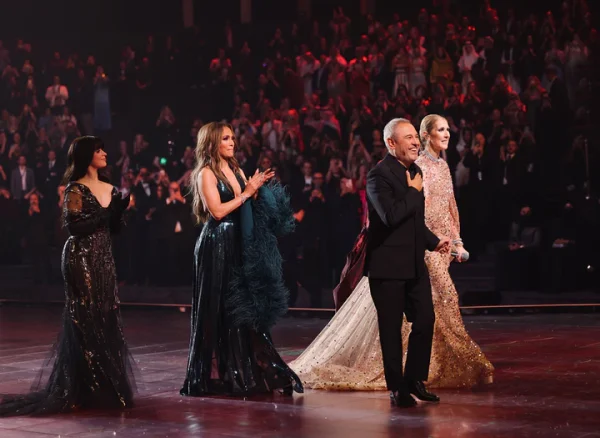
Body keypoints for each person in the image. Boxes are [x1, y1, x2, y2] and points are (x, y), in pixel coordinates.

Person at [291, 116, 493, 405]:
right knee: (390, 331)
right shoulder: (378, 176)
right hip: (387, 267)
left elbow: (414, 222)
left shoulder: (416, 172)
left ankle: (414, 379)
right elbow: (391, 215)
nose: (414, 142)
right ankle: (397, 388)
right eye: (408, 137)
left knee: (424, 320)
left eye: (415, 136)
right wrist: (413, 190)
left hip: (414, 264)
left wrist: (436, 242)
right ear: (391, 143)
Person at [0, 136, 135, 416]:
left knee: (106, 314)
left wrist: (119, 213)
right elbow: (74, 226)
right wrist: (107, 213)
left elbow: (114, 230)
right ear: (87, 156)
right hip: (79, 256)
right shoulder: (74, 188)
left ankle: (104, 386)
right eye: (99, 149)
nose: (104, 153)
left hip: (103, 257)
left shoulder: (109, 187)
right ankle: (83, 387)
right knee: (84, 317)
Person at [180, 122, 303, 397]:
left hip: (238, 243)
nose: (232, 142)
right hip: (217, 245)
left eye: (233, 137)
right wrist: (247, 192)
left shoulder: (235, 168)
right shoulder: (205, 173)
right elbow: (217, 212)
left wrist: (257, 188)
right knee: (220, 308)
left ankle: (253, 369)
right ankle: (223, 374)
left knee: (245, 308)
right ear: (212, 142)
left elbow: (246, 201)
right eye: (225, 138)